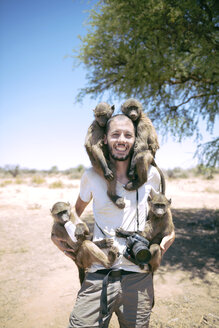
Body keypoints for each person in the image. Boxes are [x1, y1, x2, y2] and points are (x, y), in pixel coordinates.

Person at [53, 114, 175, 328]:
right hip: (98, 275)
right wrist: (60, 233)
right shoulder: (91, 175)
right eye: (115, 134)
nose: (122, 140)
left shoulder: (152, 174)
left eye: (128, 135)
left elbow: (163, 213)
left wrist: (169, 236)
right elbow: (75, 213)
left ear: (135, 140)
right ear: (105, 139)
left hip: (138, 275)